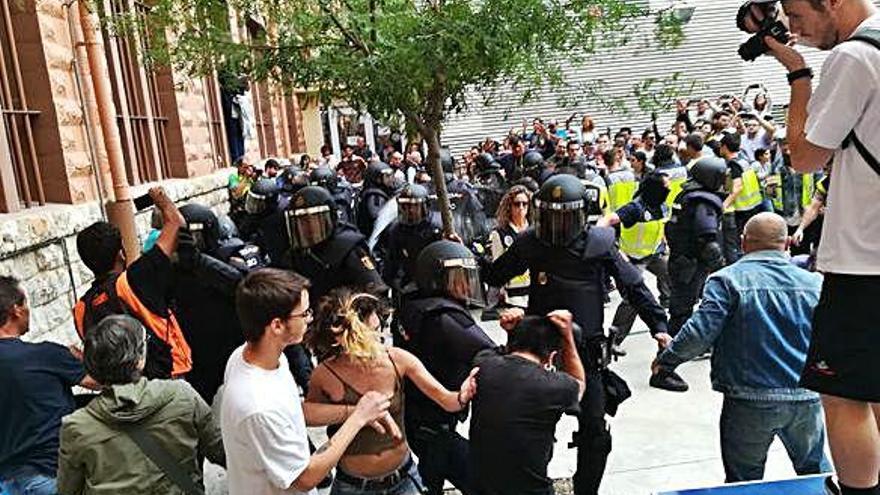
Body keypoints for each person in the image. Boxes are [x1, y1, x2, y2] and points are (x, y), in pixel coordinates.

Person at [483, 174, 672, 495]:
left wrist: (659, 326)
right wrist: (467, 258)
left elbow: (634, 286)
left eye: (564, 217)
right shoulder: (531, 242)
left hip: (587, 354)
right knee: (534, 426)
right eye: (551, 216)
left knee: (595, 433)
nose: (557, 225)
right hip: (538, 352)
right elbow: (496, 273)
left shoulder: (599, 243)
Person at [758, 0, 880, 492]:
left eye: (798, 13)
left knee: (842, 391)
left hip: (865, 255)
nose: (794, 28)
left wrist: (799, 75)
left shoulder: (855, 56)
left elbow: (805, 156)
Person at [652, 213, 831, 483]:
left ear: (744, 243)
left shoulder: (727, 281)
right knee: (818, 475)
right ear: (786, 245)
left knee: (744, 481)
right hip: (805, 398)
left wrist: (667, 360)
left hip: (749, 400)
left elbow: (700, 332)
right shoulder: (814, 283)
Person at [221, 269, 394, 495]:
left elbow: (295, 413)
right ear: (276, 326)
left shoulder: (256, 357)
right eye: (304, 314)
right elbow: (305, 477)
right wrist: (359, 418)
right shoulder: (257, 406)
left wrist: (352, 411)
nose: (310, 318)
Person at [305, 289, 478, 494]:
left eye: (380, 330)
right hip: (355, 485)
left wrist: (462, 395)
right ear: (346, 337)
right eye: (370, 334)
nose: (378, 341)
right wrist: (355, 412)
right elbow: (307, 414)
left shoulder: (397, 360)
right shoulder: (325, 374)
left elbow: (446, 400)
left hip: (402, 478)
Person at [57, 315, 226, 495]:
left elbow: (68, 490)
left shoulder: (76, 427)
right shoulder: (182, 395)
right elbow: (223, 452)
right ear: (139, 360)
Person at [399, 240, 496, 495]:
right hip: (434, 423)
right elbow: (490, 354)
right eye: (458, 278)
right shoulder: (444, 318)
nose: (466, 286)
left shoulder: (411, 303)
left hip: (419, 415)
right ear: (436, 280)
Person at [74, 187, 192, 380]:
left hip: (122, 393)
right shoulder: (136, 278)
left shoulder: (81, 310)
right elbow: (176, 223)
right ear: (121, 253)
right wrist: (160, 198)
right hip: (167, 378)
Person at [469, 310, 584, 495]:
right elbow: (579, 385)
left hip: (483, 486)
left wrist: (513, 333)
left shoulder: (483, 365)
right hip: (530, 488)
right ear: (551, 357)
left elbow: (506, 362)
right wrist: (568, 338)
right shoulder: (553, 386)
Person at [0, 276, 96, 495]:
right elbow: (98, 381)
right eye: (26, 304)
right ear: (16, 310)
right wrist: (82, 361)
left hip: (6, 481)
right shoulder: (45, 355)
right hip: (50, 475)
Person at [601, 173, 673, 356]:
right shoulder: (635, 207)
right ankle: (614, 340)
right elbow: (609, 220)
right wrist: (600, 239)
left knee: (677, 276)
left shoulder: (663, 206)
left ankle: (670, 329)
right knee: (633, 297)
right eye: (666, 187)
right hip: (633, 258)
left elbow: (661, 227)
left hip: (655, 253)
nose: (669, 189)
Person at [663, 157, 727, 343]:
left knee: (683, 306)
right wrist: (720, 266)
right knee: (682, 309)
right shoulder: (703, 202)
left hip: (681, 259)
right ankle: (671, 348)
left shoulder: (686, 195)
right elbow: (708, 240)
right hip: (691, 262)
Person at [488, 185, 531, 310]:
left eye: (525, 204)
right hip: (512, 296)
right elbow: (498, 267)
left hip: (534, 293)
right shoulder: (500, 233)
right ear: (510, 206)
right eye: (517, 204)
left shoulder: (535, 230)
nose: (521, 208)